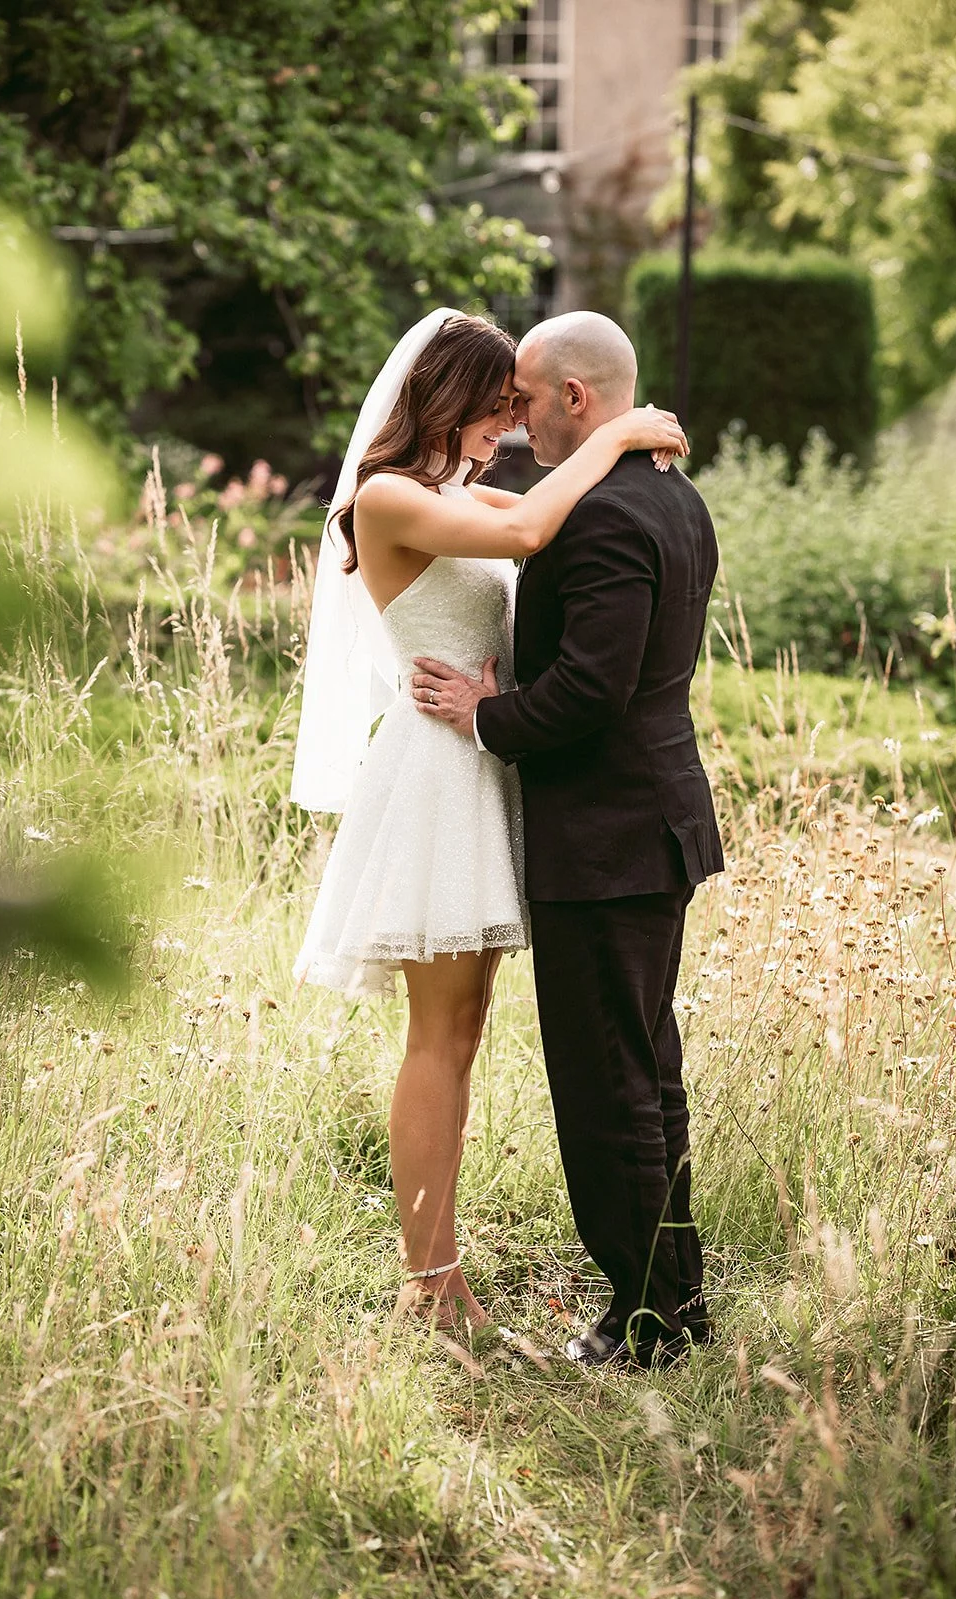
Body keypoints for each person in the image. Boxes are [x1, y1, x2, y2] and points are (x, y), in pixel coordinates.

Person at [291, 308, 688, 1331]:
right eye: (493, 403)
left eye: (517, 402)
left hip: (487, 767)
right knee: (439, 1034)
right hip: (436, 775)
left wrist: (614, 446)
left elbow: (545, 519)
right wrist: (614, 429)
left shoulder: (455, 492)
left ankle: (446, 1273)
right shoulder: (386, 497)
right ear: (444, 396)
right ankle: (429, 1283)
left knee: (463, 1033)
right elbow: (524, 533)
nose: (507, 422)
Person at [412, 311, 723, 1365]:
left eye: (525, 401)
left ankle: (645, 1324)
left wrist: (484, 713)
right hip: (651, 824)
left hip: (606, 840)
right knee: (645, 1072)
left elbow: (589, 690)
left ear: (576, 401)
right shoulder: (670, 497)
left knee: (605, 1092)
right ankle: (674, 1299)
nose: (509, 424)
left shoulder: (596, 517)